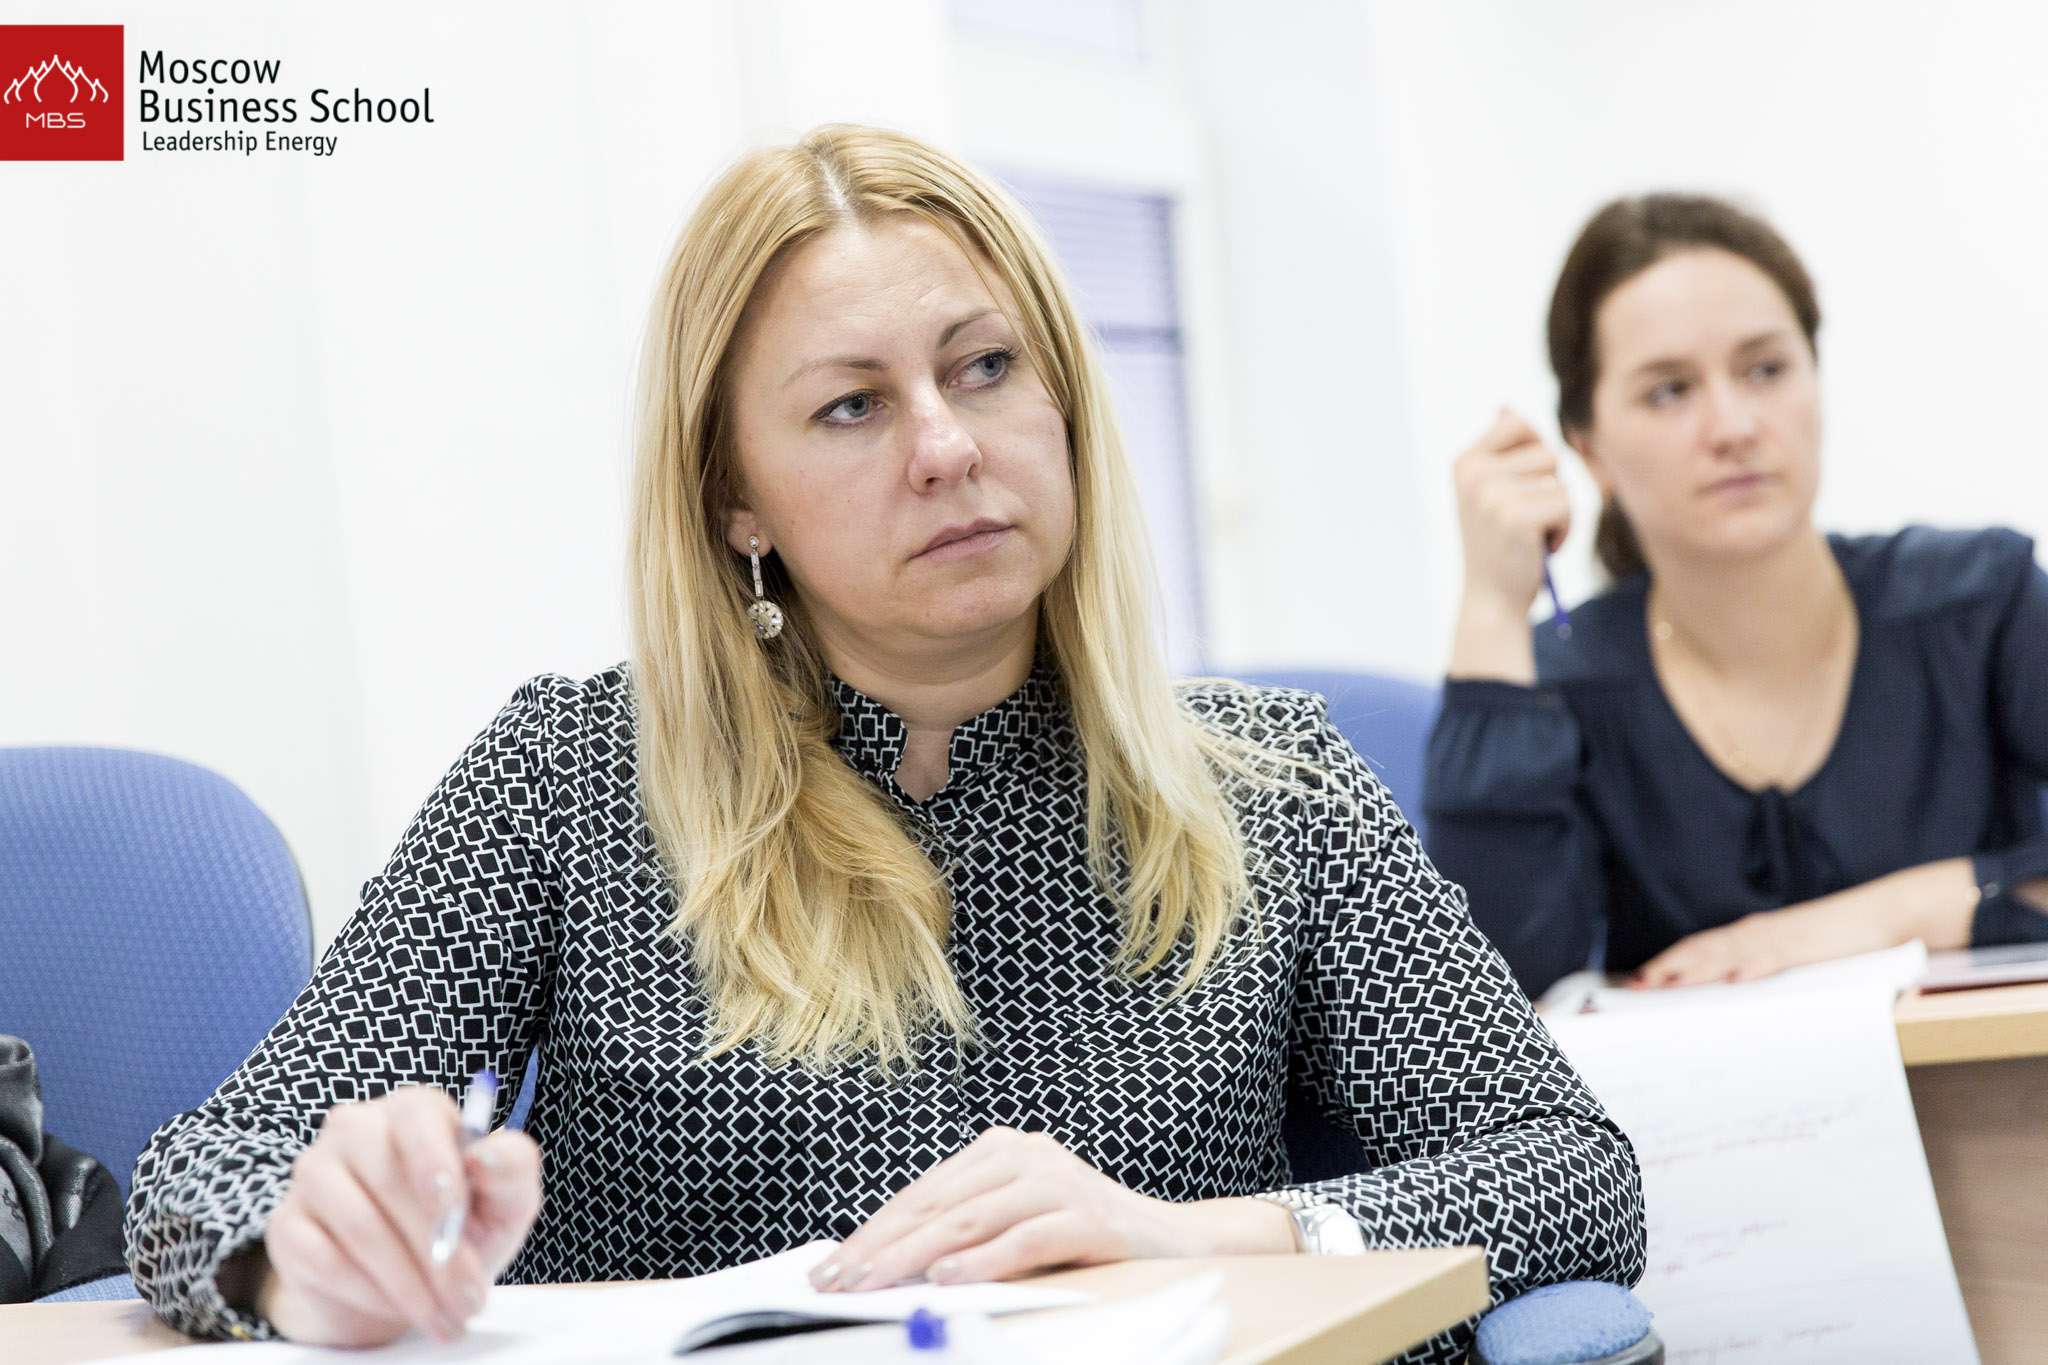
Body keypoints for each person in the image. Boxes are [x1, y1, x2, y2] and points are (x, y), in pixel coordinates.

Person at [125, 125, 1644, 1364]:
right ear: (736, 499)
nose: (947, 446)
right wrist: (303, 1259)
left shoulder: (1269, 783)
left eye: (984, 367)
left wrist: (1192, 1234)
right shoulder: (572, 778)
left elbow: (1571, 1173)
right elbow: (205, 1174)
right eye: (852, 407)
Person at [1427, 192, 2048, 999]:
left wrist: (1895, 913)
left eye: (1765, 370)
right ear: (1590, 451)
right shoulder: (1559, 688)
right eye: (1669, 391)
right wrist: (1489, 608)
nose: (1734, 426)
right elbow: (1483, 1008)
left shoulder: (1979, 602)